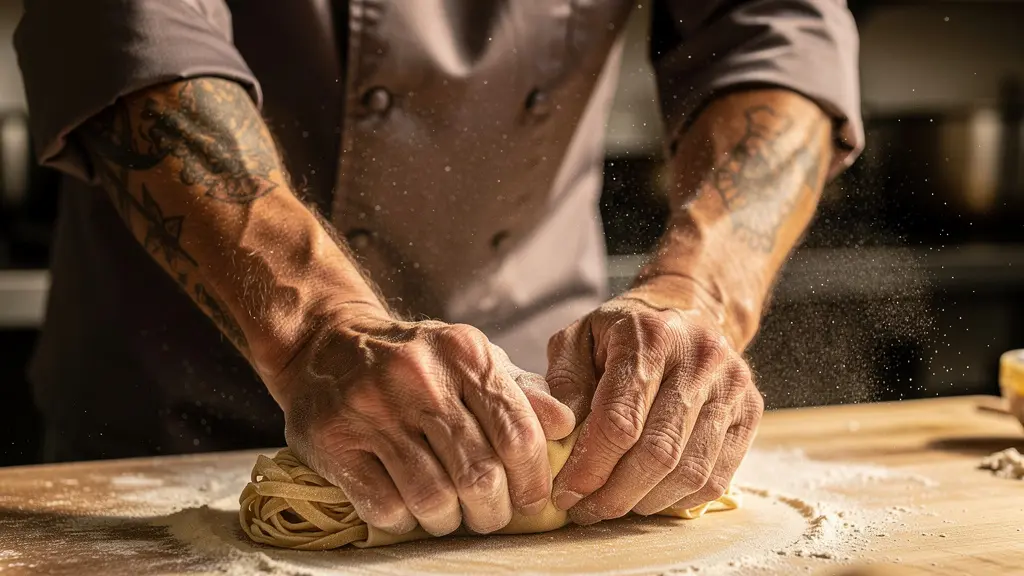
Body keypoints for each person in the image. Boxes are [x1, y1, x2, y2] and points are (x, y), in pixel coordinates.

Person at [15, 0, 861, 537]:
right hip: (165, 415)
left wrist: (697, 292)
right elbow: (118, 27)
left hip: (551, 429)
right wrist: (313, 330)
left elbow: (778, 30)